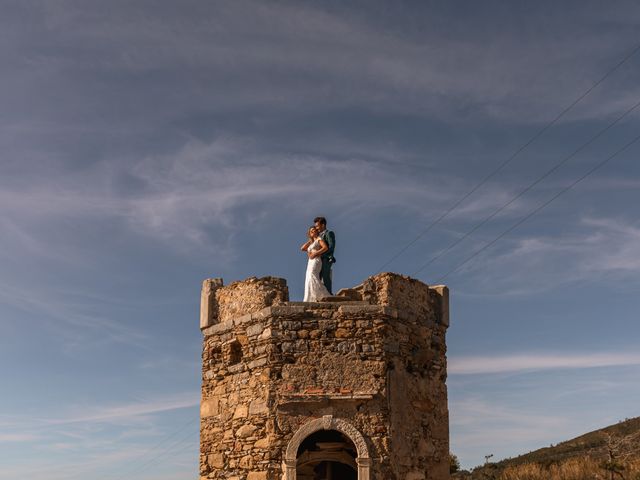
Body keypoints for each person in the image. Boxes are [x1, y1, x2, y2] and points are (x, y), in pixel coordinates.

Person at [301, 226, 331, 302]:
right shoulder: (312, 242)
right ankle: (310, 297)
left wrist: (316, 253)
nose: (312, 232)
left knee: (312, 275)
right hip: (310, 262)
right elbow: (302, 248)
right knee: (308, 277)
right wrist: (310, 240)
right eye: (311, 231)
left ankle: (322, 294)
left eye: (314, 230)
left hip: (316, 260)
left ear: (317, 231)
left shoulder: (319, 239)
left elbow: (325, 247)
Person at [313, 216, 336, 295]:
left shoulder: (329, 233)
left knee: (325, 276)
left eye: (317, 226)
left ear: (323, 225)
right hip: (318, 259)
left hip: (326, 258)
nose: (316, 228)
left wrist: (320, 253)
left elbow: (331, 246)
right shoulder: (318, 236)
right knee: (317, 277)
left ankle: (328, 294)